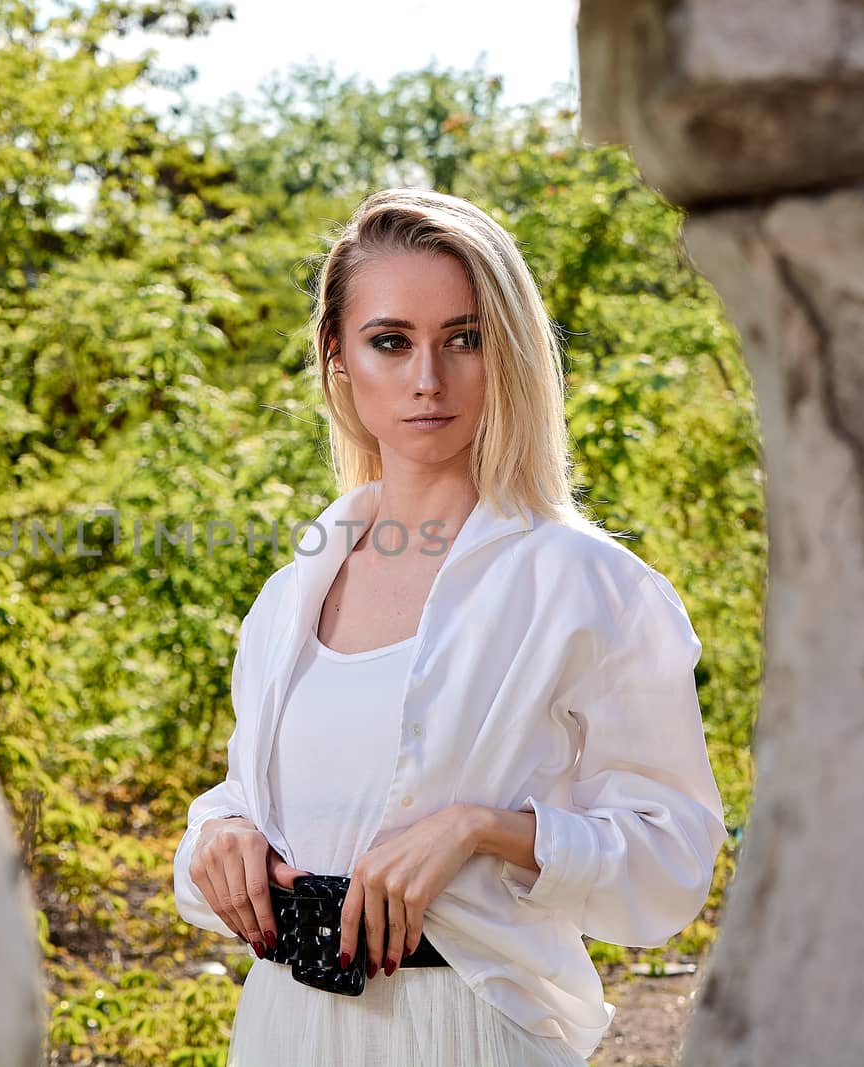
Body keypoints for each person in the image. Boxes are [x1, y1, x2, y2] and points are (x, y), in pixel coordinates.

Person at [171, 187, 729, 1066]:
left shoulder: (588, 586)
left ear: (506, 353)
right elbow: (249, 799)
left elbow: (673, 854)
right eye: (391, 341)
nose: (428, 377)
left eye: (463, 339)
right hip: (285, 1028)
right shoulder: (290, 595)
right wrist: (220, 836)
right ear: (338, 358)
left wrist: (482, 827)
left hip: (471, 1032)